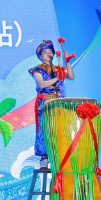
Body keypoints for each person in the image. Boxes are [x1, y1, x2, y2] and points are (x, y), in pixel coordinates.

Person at [29, 39, 75, 167]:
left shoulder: (58, 68)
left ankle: (60, 157)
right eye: (45, 52)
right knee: (46, 130)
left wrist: (67, 62)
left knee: (60, 128)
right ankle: (44, 158)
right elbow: (42, 84)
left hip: (59, 103)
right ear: (40, 56)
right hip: (46, 103)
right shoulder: (37, 70)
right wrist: (57, 78)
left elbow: (71, 76)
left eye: (50, 52)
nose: (49, 54)